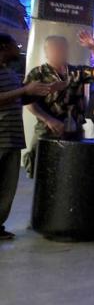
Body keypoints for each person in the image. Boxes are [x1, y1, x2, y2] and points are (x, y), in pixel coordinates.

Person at [23, 31, 94, 175]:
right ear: (47, 51)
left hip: (74, 130)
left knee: (71, 172)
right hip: (47, 130)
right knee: (42, 170)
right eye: (55, 48)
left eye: (62, 48)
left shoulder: (76, 72)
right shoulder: (38, 73)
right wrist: (49, 120)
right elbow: (28, 102)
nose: (60, 51)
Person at [0, 34, 53, 240]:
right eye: (15, 45)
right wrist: (24, 89)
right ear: (4, 47)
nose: (18, 48)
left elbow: (17, 100)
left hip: (12, 137)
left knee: (7, 187)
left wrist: (41, 91)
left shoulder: (10, 72)